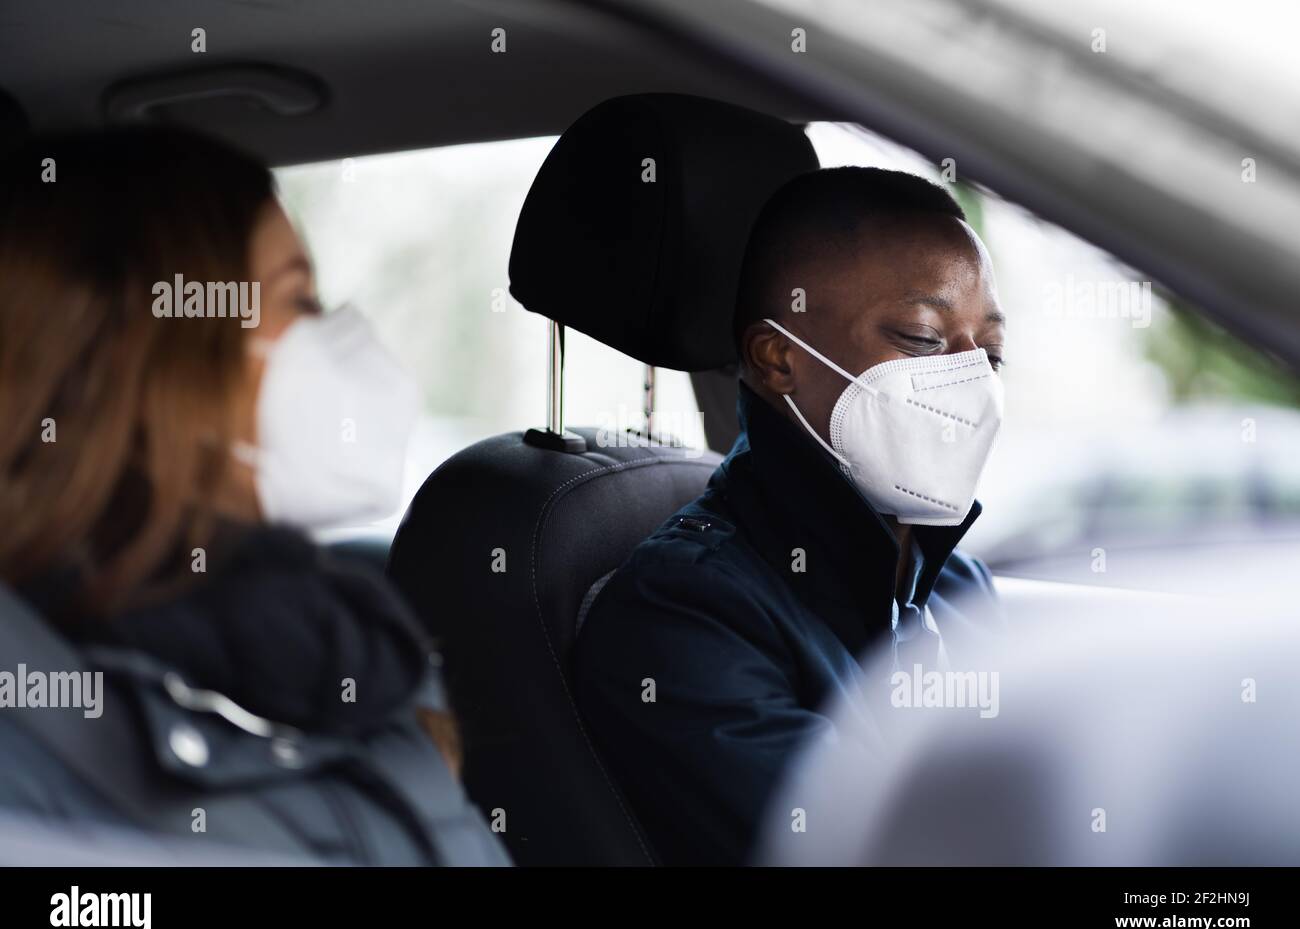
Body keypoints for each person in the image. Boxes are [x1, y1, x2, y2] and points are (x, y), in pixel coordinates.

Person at [0, 126, 503, 865]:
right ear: (150, 359)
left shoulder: (349, 652)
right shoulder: (36, 724)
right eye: (299, 298)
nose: (339, 334)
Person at [572, 167, 1008, 865]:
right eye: (923, 339)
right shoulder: (687, 611)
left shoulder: (957, 587)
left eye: (989, 353)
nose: (973, 382)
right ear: (778, 360)